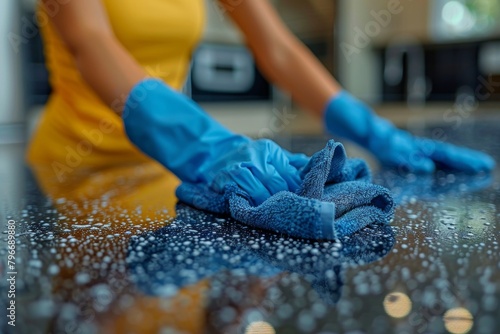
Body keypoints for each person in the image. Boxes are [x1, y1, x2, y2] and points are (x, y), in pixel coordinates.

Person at [27, 0, 495, 206]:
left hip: (160, 170)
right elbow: (90, 40)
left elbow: (278, 48)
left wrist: (372, 130)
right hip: (75, 172)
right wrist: (207, 146)